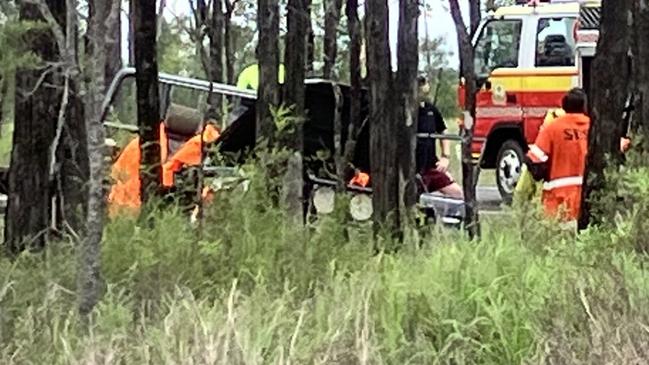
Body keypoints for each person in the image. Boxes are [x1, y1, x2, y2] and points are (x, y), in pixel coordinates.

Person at [526, 88, 590, 221]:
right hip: (587, 198)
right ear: (585, 106)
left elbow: (535, 160)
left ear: (564, 105)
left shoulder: (553, 128)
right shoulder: (593, 127)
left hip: (558, 200)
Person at [416, 76, 463, 199]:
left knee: (458, 194)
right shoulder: (402, 110)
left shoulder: (431, 109)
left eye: (423, 83)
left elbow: (443, 131)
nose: (421, 87)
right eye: (418, 84)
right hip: (410, 170)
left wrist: (445, 157)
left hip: (431, 167)